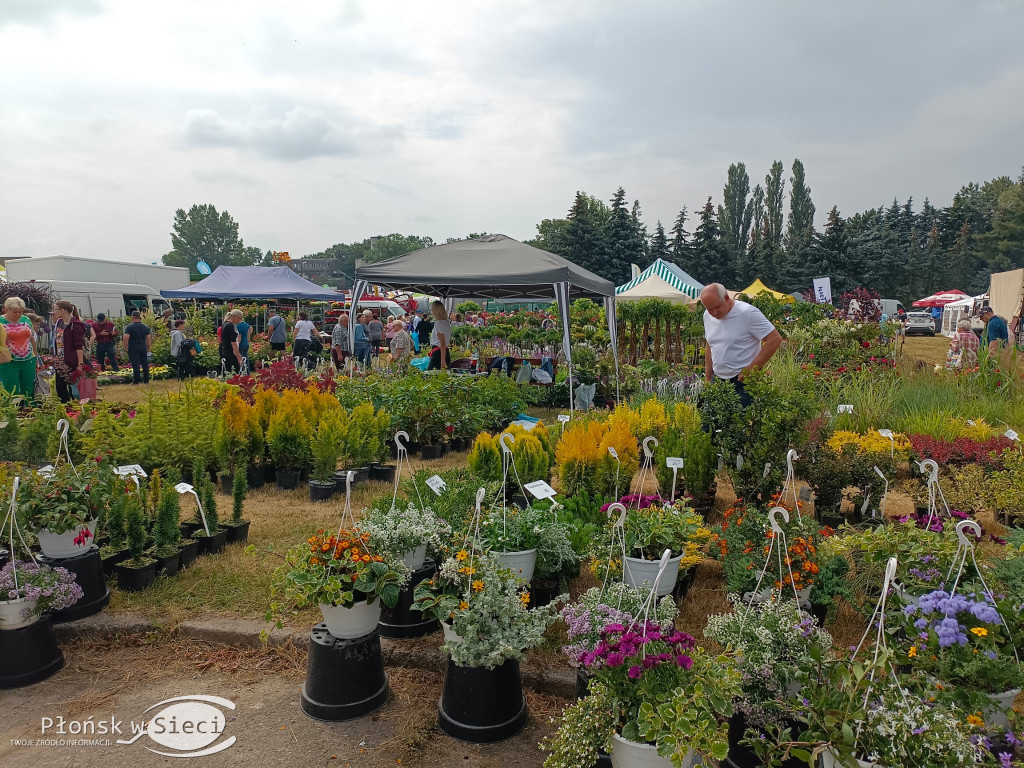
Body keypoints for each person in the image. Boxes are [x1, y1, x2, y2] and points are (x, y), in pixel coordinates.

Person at [700, 283, 783, 407]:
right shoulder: (707, 316)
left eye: (716, 307)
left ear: (726, 298)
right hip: (718, 380)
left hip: (742, 381)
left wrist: (752, 368)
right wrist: (708, 377)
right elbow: (709, 344)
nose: (714, 313)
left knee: (739, 424)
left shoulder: (747, 313)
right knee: (709, 424)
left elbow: (775, 339)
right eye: (709, 309)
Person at [0, 297, 38, 398]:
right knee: (11, 390)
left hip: (28, 359)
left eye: (20, 312)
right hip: (9, 361)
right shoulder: (1, 322)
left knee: (28, 389)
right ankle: (12, 412)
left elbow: (32, 339)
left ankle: (29, 410)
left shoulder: (26, 320)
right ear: (6, 309)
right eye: (15, 312)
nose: (18, 314)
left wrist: (36, 356)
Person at [53, 301, 90, 401]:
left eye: (55, 309)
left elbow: (79, 346)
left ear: (62, 310)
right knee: (60, 388)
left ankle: (78, 409)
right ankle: (66, 409)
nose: (54, 312)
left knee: (75, 389)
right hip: (60, 361)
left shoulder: (76, 325)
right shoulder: (59, 323)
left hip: (72, 361)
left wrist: (80, 364)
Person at [121, 310, 152, 385]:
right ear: (139, 317)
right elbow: (148, 339)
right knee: (145, 364)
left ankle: (136, 381)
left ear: (132, 317)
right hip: (143, 347)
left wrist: (125, 347)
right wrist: (148, 348)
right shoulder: (145, 327)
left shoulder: (129, 327)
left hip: (133, 347)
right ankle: (146, 380)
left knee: (135, 365)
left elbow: (126, 337)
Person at [427, 300, 452, 371]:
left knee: (432, 374)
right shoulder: (446, 322)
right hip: (444, 351)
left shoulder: (438, 323)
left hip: (439, 353)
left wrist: (442, 362)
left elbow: (442, 343)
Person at [220, 309, 244, 374]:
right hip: (231, 352)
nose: (239, 320)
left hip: (225, 350)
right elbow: (233, 342)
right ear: (234, 316)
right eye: (239, 318)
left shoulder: (225, 324)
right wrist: (238, 355)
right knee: (235, 371)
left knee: (227, 371)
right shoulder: (230, 326)